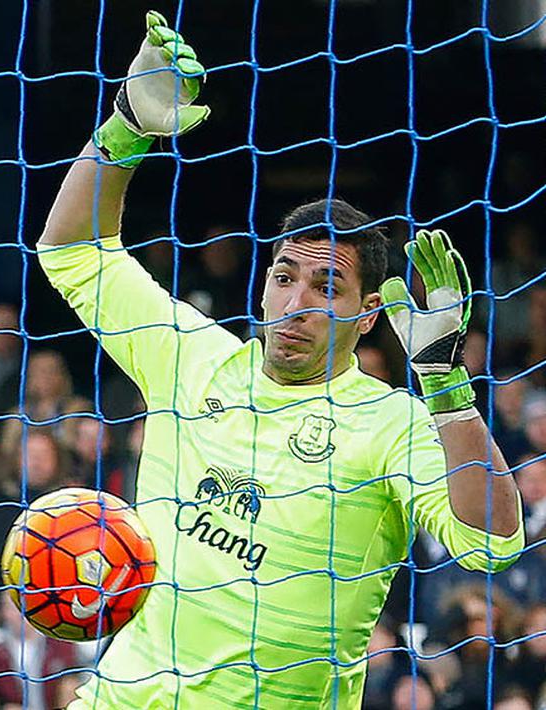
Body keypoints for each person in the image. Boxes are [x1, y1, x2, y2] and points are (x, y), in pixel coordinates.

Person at [35, 12, 524, 708]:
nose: (296, 301)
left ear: (368, 314)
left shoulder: (391, 421)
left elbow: (491, 546)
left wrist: (446, 386)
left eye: (327, 287)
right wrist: (125, 127)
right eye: (284, 276)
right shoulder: (193, 358)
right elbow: (72, 252)